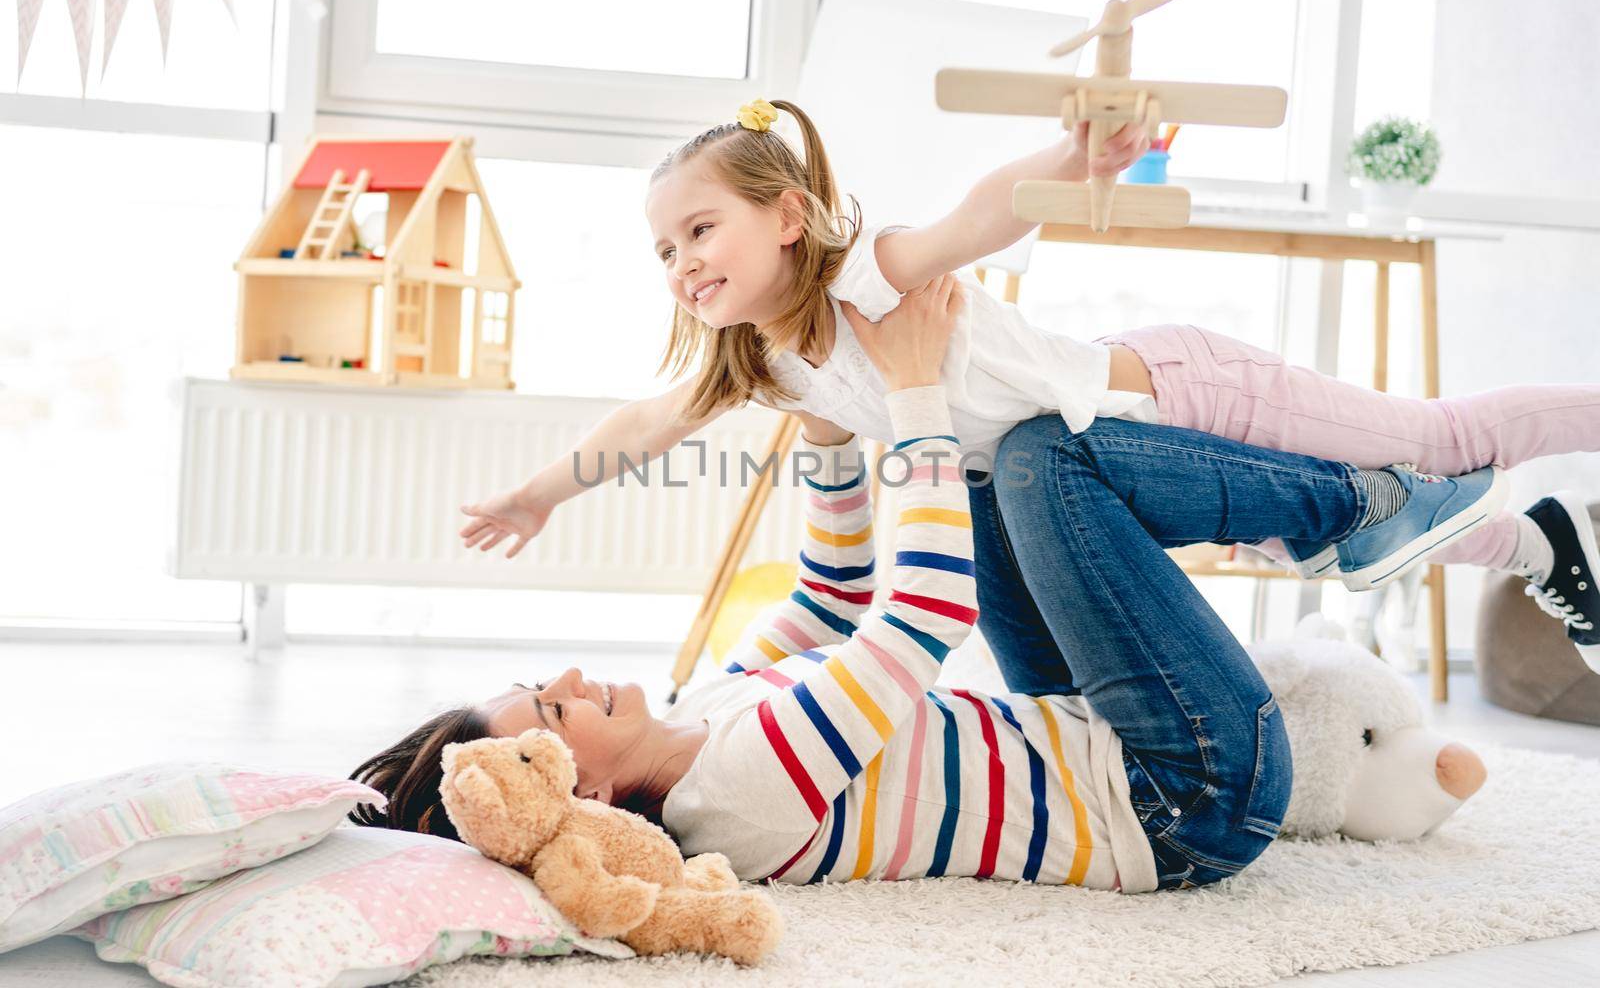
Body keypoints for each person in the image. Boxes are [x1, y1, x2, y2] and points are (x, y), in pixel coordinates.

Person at [356, 275, 1493, 891]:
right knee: (1053, 454)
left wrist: (831, 439)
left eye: (540, 685)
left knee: (1010, 453)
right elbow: (917, 622)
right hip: (1186, 798)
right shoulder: (734, 801)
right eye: (552, 712)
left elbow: (830, 605)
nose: (567, 677)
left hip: (1084, 726)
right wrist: (908, 399)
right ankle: (1364, 506)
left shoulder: (703, 717)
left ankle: (1357, 509)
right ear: (592, 799)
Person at [459, 99, 1600, 657]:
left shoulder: (872, 278)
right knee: (1327, 535)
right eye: (664, 251)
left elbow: (974, 214)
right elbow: (649, 419)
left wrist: (1072, 161)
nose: (684, 263)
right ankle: (1549, 543)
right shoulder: (769, 361)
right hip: (1112, 477)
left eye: (699, 230)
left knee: (1435, 444)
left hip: (1186, 393)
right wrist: (541, 495)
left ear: (789, 217)